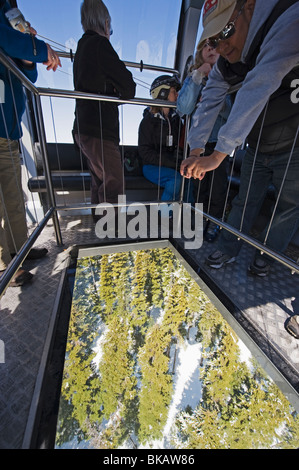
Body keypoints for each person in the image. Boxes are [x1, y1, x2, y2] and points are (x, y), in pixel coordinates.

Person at [180, 0, 299, 276]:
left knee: (288, 207)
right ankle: (228, 247)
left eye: (226, 32)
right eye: (213, 40)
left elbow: (260, 82)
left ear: (248, 6)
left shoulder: (289, 18)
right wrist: (197, 150)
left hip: (295, 145)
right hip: (257, 144)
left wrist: (218, 155)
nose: (221, 48)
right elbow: (209, 98)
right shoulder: (225, 63)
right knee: (244, 201)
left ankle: (267, 258)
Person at [0, 0, 61, 287]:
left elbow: (28, 76)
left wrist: (28, 56)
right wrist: (37, 49)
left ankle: (18, 252)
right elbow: (6, 39)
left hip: (8, 131)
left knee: (15, 197)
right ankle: (4, 265)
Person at [73, 0, 136, 221]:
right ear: (106, 22)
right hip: (100, 128)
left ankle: (99, 230)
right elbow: (129, 87)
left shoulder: (82, 47)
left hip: (83, 126)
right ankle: (112, 231)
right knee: (113, 182)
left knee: (99, 180)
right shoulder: (100, 45)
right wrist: (113, 96)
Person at [177, 40, 231, 242]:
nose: (211, 48)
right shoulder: (194, 78)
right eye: (207, 45)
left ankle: (214, 224)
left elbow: (232, 114)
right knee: (199, 189)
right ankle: (198, 222)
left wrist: (215, 100)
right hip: (197, 146)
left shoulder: (230, 79)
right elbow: (184, 108)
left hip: (219, 145)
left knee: (217, 190)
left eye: (216, 45)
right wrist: (199, 75)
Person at [138, 75, 193, 206]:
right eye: (174, 91)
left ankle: (187, 217)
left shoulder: (176, 120)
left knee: (189, 179)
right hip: (151, 166)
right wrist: (170, 162)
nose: (177, 94)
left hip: (171, 164)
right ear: (163, 93)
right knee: (175, 179)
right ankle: (163, 216)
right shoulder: (148, 121)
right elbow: (144, 152)